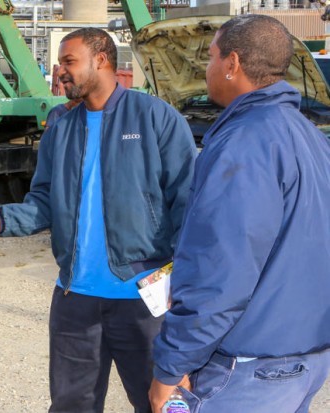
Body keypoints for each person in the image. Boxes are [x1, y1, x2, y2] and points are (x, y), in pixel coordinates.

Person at [0, 28, 196, 413]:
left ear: (102, 60)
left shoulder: (154, 116)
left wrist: (185, 290)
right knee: (71, 405)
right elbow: (43, 200)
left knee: (162, 404)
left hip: (141, 299)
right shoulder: (61, 124)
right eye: (60, 63)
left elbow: (188, 205)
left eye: (69, 61)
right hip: (74, 297)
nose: (60, 71)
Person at [148, 15, 330, 413]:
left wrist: (171, 366)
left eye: (211, 57)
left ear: (232, 64)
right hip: (307, 356)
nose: (206, 68)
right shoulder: (309, 136)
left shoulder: (244, 143)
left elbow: (221, 271)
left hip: (250, 368)